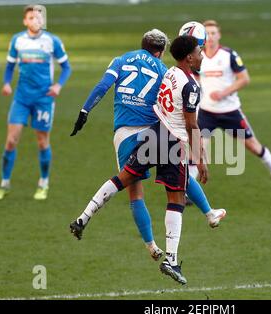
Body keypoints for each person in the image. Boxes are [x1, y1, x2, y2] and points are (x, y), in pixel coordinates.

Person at [69, 29, 225, 262]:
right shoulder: (164, 70)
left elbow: (103, 86)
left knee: (131, 188)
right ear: (161, 52)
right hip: (154, 132)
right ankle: (208, 214)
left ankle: (149, 245)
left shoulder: (121, 60)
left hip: (123, 134)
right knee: (179, 177)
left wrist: (84, 111)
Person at [191, 19, 271, 194]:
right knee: (198, 149)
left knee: (252, 145)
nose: (211, 37)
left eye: (213, 33)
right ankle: (189, 190)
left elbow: (244, 79)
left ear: (219, 35)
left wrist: (223, 93)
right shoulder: (198, 56)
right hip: (207, 113)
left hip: (230, 112)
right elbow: (195, 78)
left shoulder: (229, 55)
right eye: (207, 34)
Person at [0, 4, 71, 201]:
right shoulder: (17, 40)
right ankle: (5, 184)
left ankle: (43, 183)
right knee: (11, 140)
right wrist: (7, 83)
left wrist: (58, 86)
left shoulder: (52, 41)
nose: (36, 20)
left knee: (42, 141)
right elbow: (10, 66)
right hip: (21, 98)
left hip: (44, 99)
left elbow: (66, 67)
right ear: (25, 21)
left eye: (39, 17)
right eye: (32, 18)